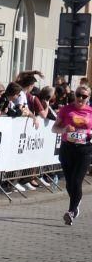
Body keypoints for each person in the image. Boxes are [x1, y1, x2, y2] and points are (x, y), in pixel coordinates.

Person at [53, 85, 92, 224]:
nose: (80, 98)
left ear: (88, 98)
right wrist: (64, 129)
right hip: (67, 149)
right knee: (69, 184)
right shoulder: (66, 109)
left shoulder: (90, 111)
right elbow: (54, 128)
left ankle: (72, 211)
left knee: (76, 181)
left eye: (84, 96)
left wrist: (89, 133)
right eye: (78, 94)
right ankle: (75, 204)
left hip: (84, 150)